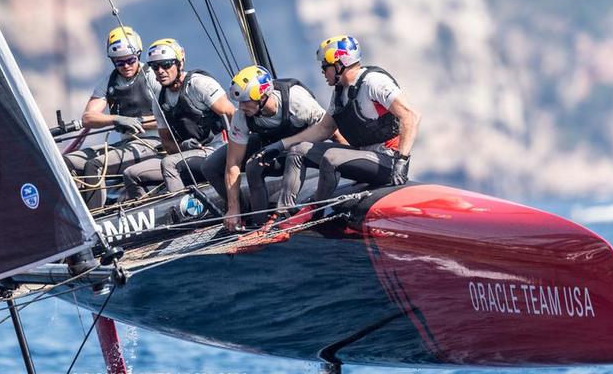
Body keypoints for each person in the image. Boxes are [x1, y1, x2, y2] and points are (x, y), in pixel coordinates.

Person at [267, 34, 421, 224]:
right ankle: (283, 214)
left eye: (325, 67)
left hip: (388, 160)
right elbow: (323, 129)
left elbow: (411, 116)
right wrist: (281, 145)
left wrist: (402, 160)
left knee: (332, 158)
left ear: (339, 64)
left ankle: (314, 210)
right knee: (298, 151)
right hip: (363, 155)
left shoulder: (373, 83)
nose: (323, 72)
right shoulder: (340, 92)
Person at [202, 65, 327, 229]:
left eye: (245, 102)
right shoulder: (242, 116)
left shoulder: (297, 100)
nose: (240, 107)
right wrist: (233, 209)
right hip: (271, 146)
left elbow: (331, 130)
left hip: (303, 152)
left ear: (262, 97)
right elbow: (233, 162)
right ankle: (251, 219)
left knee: (279, 157)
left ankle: (281, 213)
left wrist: (350, 161)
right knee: (213, 166)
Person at [63, 25, 163, 210]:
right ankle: (76, 213)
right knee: (66, 162)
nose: (125, 66)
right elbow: (88, 117)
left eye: (130, 60)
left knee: (94, 165)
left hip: (154, 142)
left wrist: (140, 122)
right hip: (126, 144)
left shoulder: (152, 76)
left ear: (138, 55)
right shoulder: (109, 82)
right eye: (119, 62)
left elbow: (169, 117)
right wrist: (117, 119)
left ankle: (96, 218)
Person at [122, 38, 235, 200]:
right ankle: (154, 215)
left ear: (179, 64)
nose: (160, 71)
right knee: (131, 173)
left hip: (217, 148)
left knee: (169, 163)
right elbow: (167, 143)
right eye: (155, 67)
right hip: (189, 154)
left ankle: (184, 215)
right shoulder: (159, 100)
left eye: (166, 65)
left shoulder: (198, 85)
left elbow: (232, 114)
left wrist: (235, 152)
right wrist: (184, 147)